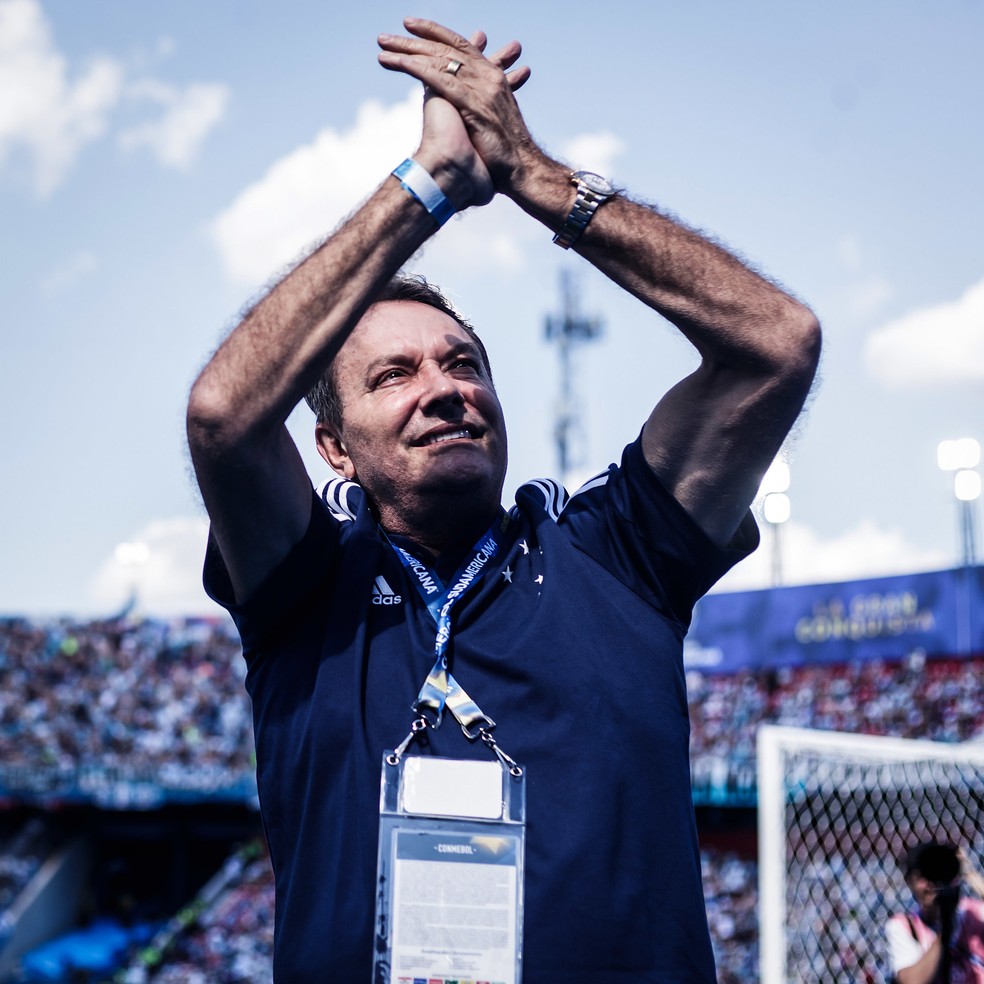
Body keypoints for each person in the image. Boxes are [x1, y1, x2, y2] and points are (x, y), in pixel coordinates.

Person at [187, 17, 821, 983]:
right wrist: (428, 186)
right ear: (333, 447)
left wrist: (531, 173)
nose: (445, 388)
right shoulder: (303, 590)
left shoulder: (619, 554)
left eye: (464, 364)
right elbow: (224, 417)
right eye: (393, 375)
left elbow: (776, 343)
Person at [886, 840, 984, 984]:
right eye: (923, 876)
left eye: (937, 873)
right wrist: (945, 930)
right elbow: (911, 981)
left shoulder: (971, 912)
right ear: (909, 881)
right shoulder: (905, 926)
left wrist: (969, 874)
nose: (930, 884)